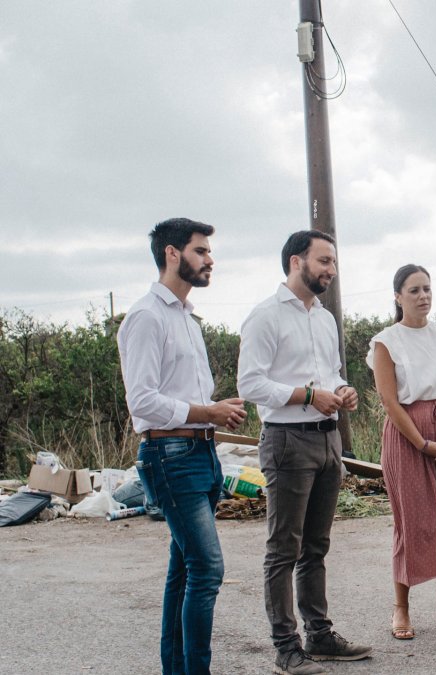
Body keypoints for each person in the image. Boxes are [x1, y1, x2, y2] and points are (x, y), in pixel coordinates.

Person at [237, 231, 372, 674]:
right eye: (324, 261)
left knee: (317, 545)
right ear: (297, 261)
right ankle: (286, 647)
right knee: (284, 548)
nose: (331, 270)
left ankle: (320, 635)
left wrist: (342, 390)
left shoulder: (325, 318)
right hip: (287, 441)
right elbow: (250, 385)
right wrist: (308, 395)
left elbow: (330, 372)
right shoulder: (265, 316)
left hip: (328, 439)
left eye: (333, 262)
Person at [117, 218, 247, 674]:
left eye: (209, 252)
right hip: (169, 458)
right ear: (172, 254)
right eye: (201, 251)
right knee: (207, 570)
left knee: (185, 569)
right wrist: (206, 412)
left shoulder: (186, 318)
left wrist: (214, 411)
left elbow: (180, 394)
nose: (210, 259)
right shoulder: (146, 316)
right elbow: (143, 400)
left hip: (200, 454)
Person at [367, 264, 436, 641]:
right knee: (413, 522)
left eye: (427, 289)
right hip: (409, 438)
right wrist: (421, 442)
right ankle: (401, 607)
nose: (423, 296)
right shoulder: (386, 341)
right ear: (398, 296)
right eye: (414, 290)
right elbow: (388, 399)